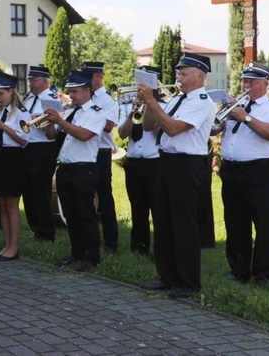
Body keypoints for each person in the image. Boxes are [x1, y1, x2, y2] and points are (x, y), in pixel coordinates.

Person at [139, 52, 215, 298]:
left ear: (200, 76)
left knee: (183, 222)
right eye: (178, 73)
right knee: (163, 220)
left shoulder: (202, 101)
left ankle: (188, 282)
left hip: (186, 164)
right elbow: (151, 126)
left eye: (184, 74)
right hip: (167, 161)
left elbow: (172, 129)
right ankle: (167, 276)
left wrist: (152, 101)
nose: (178, 78)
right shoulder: (176, 100)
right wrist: (147, 102)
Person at [215, 62, 269, 285]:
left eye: (251, 81)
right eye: (244, 81)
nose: (246, 85)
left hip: (259, 170)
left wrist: (246, 118)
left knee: (264, 222)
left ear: (264, 84)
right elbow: (214, 129)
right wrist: (222, 114)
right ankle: (238, 269)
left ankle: (265, 272)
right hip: (232, 170)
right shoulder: (237, 106)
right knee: (235, 221)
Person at [44, 70, 106, 273]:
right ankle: (76, 253)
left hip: (83, 170)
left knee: (86, 215)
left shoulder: (96, 113)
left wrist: (60, 122)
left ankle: (92, 257)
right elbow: (54, 136)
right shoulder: (72, 112)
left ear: (87, 91)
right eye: (70, 92)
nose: (71, 96)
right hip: (65, 170)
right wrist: (49, 123)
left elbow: (84, 135)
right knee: (70, 215)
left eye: (75, 92)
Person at [117, 65, 164, 255]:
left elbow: (159, 132)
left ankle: (161, 249)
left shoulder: (164, 104)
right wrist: (132, 113)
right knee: (137, 207)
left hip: (154, 162)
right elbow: (122, 134)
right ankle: (139, 247)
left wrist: (150, 108)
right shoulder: (128, 103)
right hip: (134, 161)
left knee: (157, 208)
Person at [0, 73, 30, 261]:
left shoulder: (21, 113)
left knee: (12, 205)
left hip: (14, 159)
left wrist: (4, 127)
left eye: (1, 94)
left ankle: (14, 247)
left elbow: (23, 140)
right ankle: (6, 245)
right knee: (2, 204)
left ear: (11, 91)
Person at [81, 61, 119, 253]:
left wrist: (90, 119)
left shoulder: (107, 100)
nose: (86, 80)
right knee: (85, 198)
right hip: (85, 151)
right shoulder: (83, 96)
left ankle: (111, 243)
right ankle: (88, 239)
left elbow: (109, 125)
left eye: (89, 76)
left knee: (104, 198)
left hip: (101, 153)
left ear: (98, 77)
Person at [23, 65, 59, 242]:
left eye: (34, 80)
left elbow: (54, 130)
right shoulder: (29, 99)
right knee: (28, 190)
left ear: (45, 81)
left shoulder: (51, 99)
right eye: (29, 80)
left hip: (44, 148)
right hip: (28, 147)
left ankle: (46, 231)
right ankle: (35, 227)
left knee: (40, 191)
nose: (30, 83)